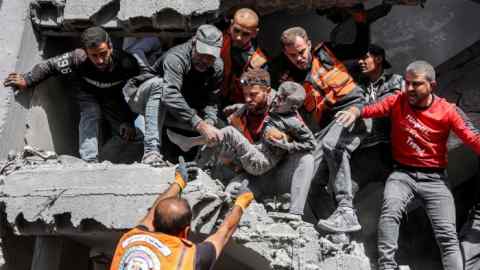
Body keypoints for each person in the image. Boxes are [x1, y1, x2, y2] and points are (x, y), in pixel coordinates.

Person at [336, 60, 480, 270]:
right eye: (407, 83)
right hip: (403, 175)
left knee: (447, 237)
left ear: (432, 85)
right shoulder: (397, 101)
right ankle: (387, 266)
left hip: (435, 179)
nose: (410, 89)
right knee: (390, 211)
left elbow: (472, 138)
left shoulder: (448, 111)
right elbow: (372, 108)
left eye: (417, 84)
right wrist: (355, 112)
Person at [271, 26, 367, 233]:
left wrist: (361, 22)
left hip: (355, 111)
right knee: (311, 179)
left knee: (333, 145)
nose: (299, 58)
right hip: (327, 126)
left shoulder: (328, 52)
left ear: (308, 44)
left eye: (302, 51)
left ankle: (346, 210)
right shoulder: (288, 78)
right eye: (293, 55)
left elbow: (360, 47)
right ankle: (335, 230)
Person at [3, 27, 141, 162]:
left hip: (114, 97)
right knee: (92, 112)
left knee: (126, 134)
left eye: (103, 53)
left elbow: (136, 92)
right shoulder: (77, 58)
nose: (99, 60)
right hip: (87, 93)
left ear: (110, 47)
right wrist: (27, 79)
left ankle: (105, 163)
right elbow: (49, 66)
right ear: (86, 52)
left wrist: (128, 120)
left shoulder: (126, 63)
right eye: (94, 55)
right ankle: (89, 161)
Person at [110, 156, 254, 270]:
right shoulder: (191, 258)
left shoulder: (131, 239)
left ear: (154, 223)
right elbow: (224, 232)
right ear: (185, 232)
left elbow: (152, 212)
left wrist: (179, 182)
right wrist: (242, 202)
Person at [167, 78, 316, 176]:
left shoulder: (294, 121)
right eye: (277, 96)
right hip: (256, 151)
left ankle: (189, 143)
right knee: (221, 137)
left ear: (293, 106)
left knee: (229, 132)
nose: (276, 101)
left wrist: (288, 145)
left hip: (262, 162)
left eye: (282, 100)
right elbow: (257, 106)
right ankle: (198, 167)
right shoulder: (277, 108)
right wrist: (239, 107)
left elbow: (311, 144)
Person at [123, 24, 224, 166]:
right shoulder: (176, 57)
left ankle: (204, 165)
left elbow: (212, 99)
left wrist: (209, 121)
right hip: (142, 99)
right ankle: (151, 152)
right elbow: (170, 94)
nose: (205, 61)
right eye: (202, 54)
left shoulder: (217, 66)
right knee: (160, 85)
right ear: (194, 43)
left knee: (222, 130)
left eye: (210, 57)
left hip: (174, 112)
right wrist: (200, 125)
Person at [356, 44, 403, 148]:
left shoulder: (396, 80)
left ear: (378, 59)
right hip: (365, 146)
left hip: (390, 144)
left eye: (364, 57)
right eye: (359, 59)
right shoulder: (357, 87)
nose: (360, 61)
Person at [220, 8, 268, 107]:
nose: (238, 37)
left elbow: (258, 93)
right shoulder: (220, 38)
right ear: (231, 25)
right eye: (236, 30)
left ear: (254, 33)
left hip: (238, 104)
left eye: (245, 34)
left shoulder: (259, 61)